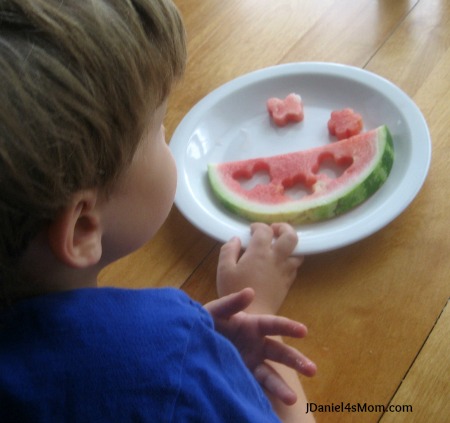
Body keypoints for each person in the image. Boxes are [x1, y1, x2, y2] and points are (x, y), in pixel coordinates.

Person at [0, 0, 316, 422]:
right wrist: (253, 312)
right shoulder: (170, 357)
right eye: (160, 127)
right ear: (82, 228)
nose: (169, 136)